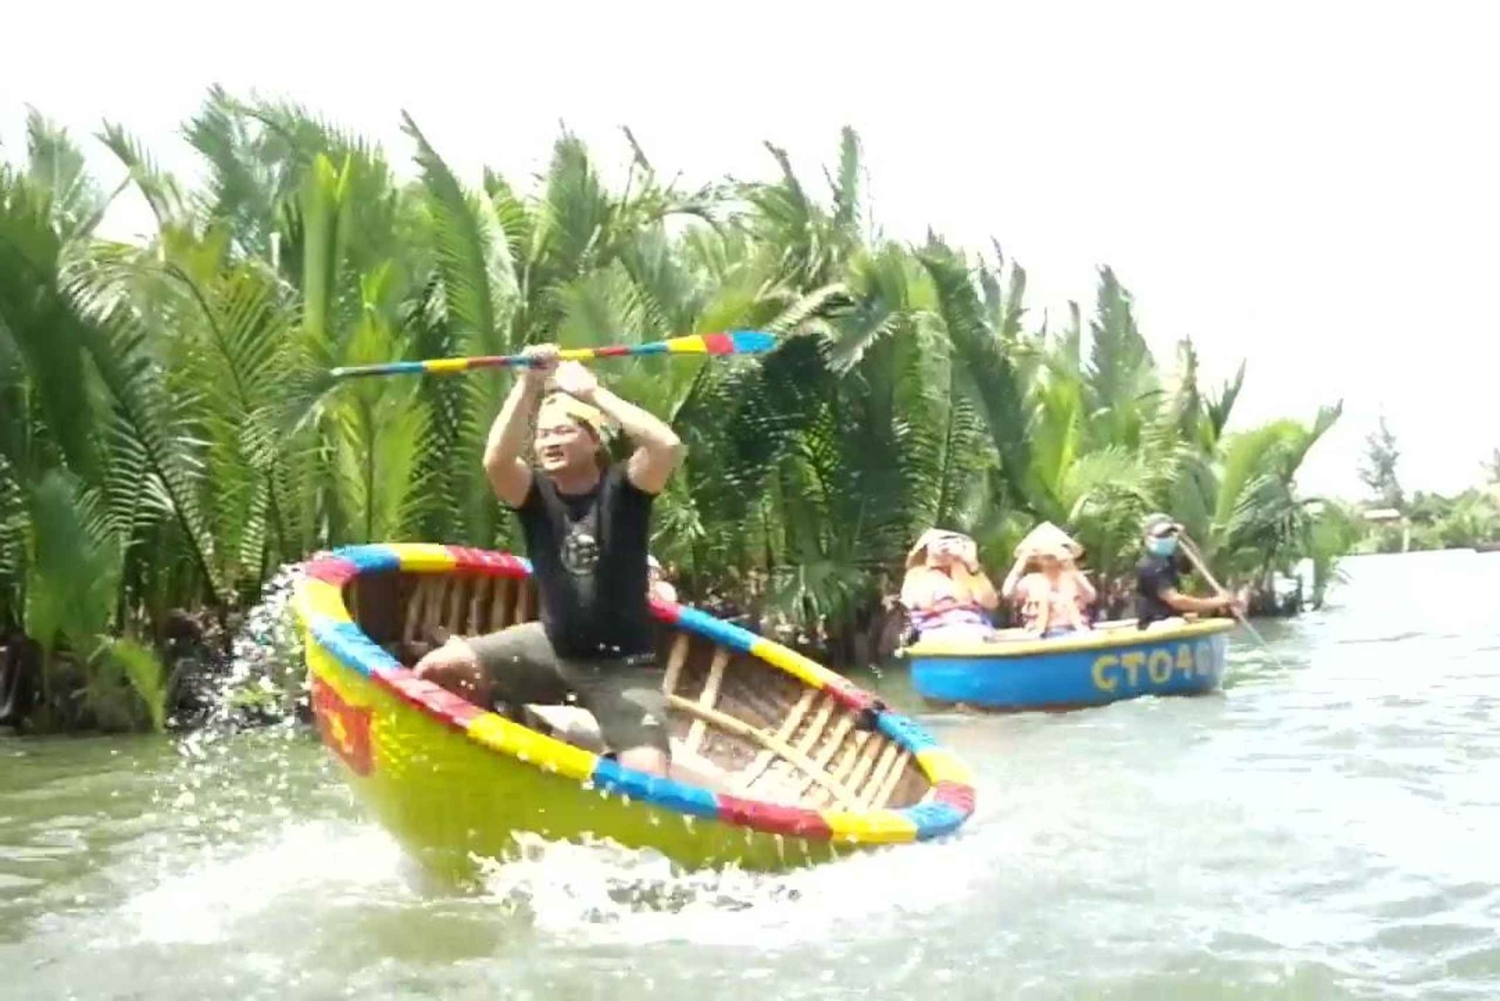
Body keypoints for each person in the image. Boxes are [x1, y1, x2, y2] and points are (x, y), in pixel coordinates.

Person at [414, 343, 691, 782]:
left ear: (593, 440)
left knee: (648, 779)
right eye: (542, 435)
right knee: (438, 669)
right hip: (551, 648)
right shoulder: (534, 494)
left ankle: (605, 761)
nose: (549, 442)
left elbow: (666, 445)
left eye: (563, 431)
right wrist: (529, 383)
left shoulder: (626, 487)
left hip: (622, 669)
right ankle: (478, 761)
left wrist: (592, 393)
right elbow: (496, 460)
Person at [1135, 514, 1242, 629]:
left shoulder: (1168, 559)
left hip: (1171, 620)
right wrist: (1218, 602)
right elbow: (1176, 600)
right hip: (1154, 624)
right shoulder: (1149, 565)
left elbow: (1197, 560)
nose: (1167, 538)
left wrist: (1184, 537)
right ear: (1147, 537)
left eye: (1169, 534)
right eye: (1162, 535)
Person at [899, 529, 1000, 642]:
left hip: (974, 628)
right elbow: (925, 603)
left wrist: (972, 565)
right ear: (927, 548)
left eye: (952, 540)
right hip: (934, 630)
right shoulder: (917, 574)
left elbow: (991, 603)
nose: (946, 543)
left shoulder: (968, 571)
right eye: (940, 540)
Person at [1000, 522, 1096, 637]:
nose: (1048, 556)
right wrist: (1021, 563)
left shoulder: (1074, 577)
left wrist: (1071, 568)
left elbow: (1091, 596)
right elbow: (1007, 593)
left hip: (1076, 632)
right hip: (1039, 635)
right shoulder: (1031, 580)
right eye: (1044, 553)